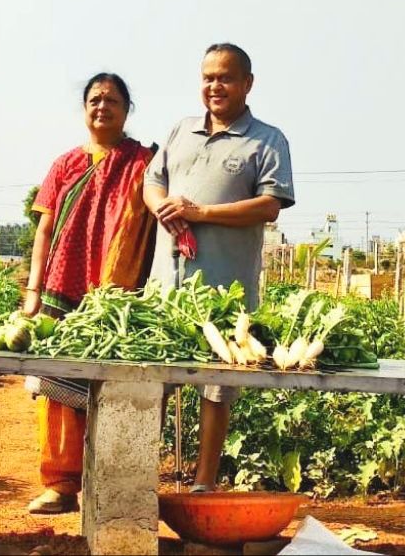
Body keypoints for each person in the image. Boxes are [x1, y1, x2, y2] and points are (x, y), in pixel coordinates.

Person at [143, 43, 295, 491]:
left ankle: (203, 482)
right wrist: (163, 210)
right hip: (166, 288)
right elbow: (153, 182)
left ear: (247, 84)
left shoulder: (267, 139)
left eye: (226, 77)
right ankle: (140, 479)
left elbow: (270, 206)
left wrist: (201, 213)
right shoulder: (180, 131)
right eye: (208, 77)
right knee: (153, 383)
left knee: (217, 388)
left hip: (226, 290)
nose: (215, 86)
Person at [21, 72, 157, 513]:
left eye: (112, 100)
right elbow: (44, 229)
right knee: (58, 384)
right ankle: (59, 485)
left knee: (115, 385)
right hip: (64, 285)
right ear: (85, 109)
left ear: (126, 110)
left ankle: (111, 485)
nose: (103, 107)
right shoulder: (65, 165)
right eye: (95, 100)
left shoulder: (144, 162)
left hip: (119, 291)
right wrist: (33, 290)